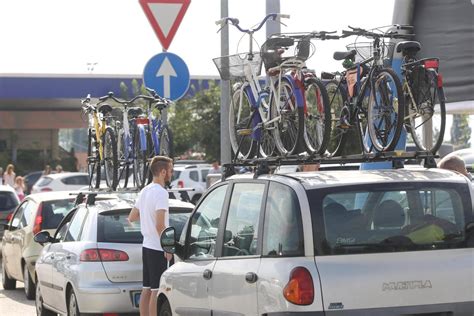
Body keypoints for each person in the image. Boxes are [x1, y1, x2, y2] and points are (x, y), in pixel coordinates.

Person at [128, 156, 173, 316]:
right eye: (170, 170)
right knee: (156, 290)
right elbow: (160, 225)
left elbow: (131, 217)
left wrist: (146, 218)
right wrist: (168, 246)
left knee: (146, 289)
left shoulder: (145, 190)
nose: (171, 173)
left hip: (146, 246)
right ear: (162, 172)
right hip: (157, 247)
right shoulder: (161, 193)